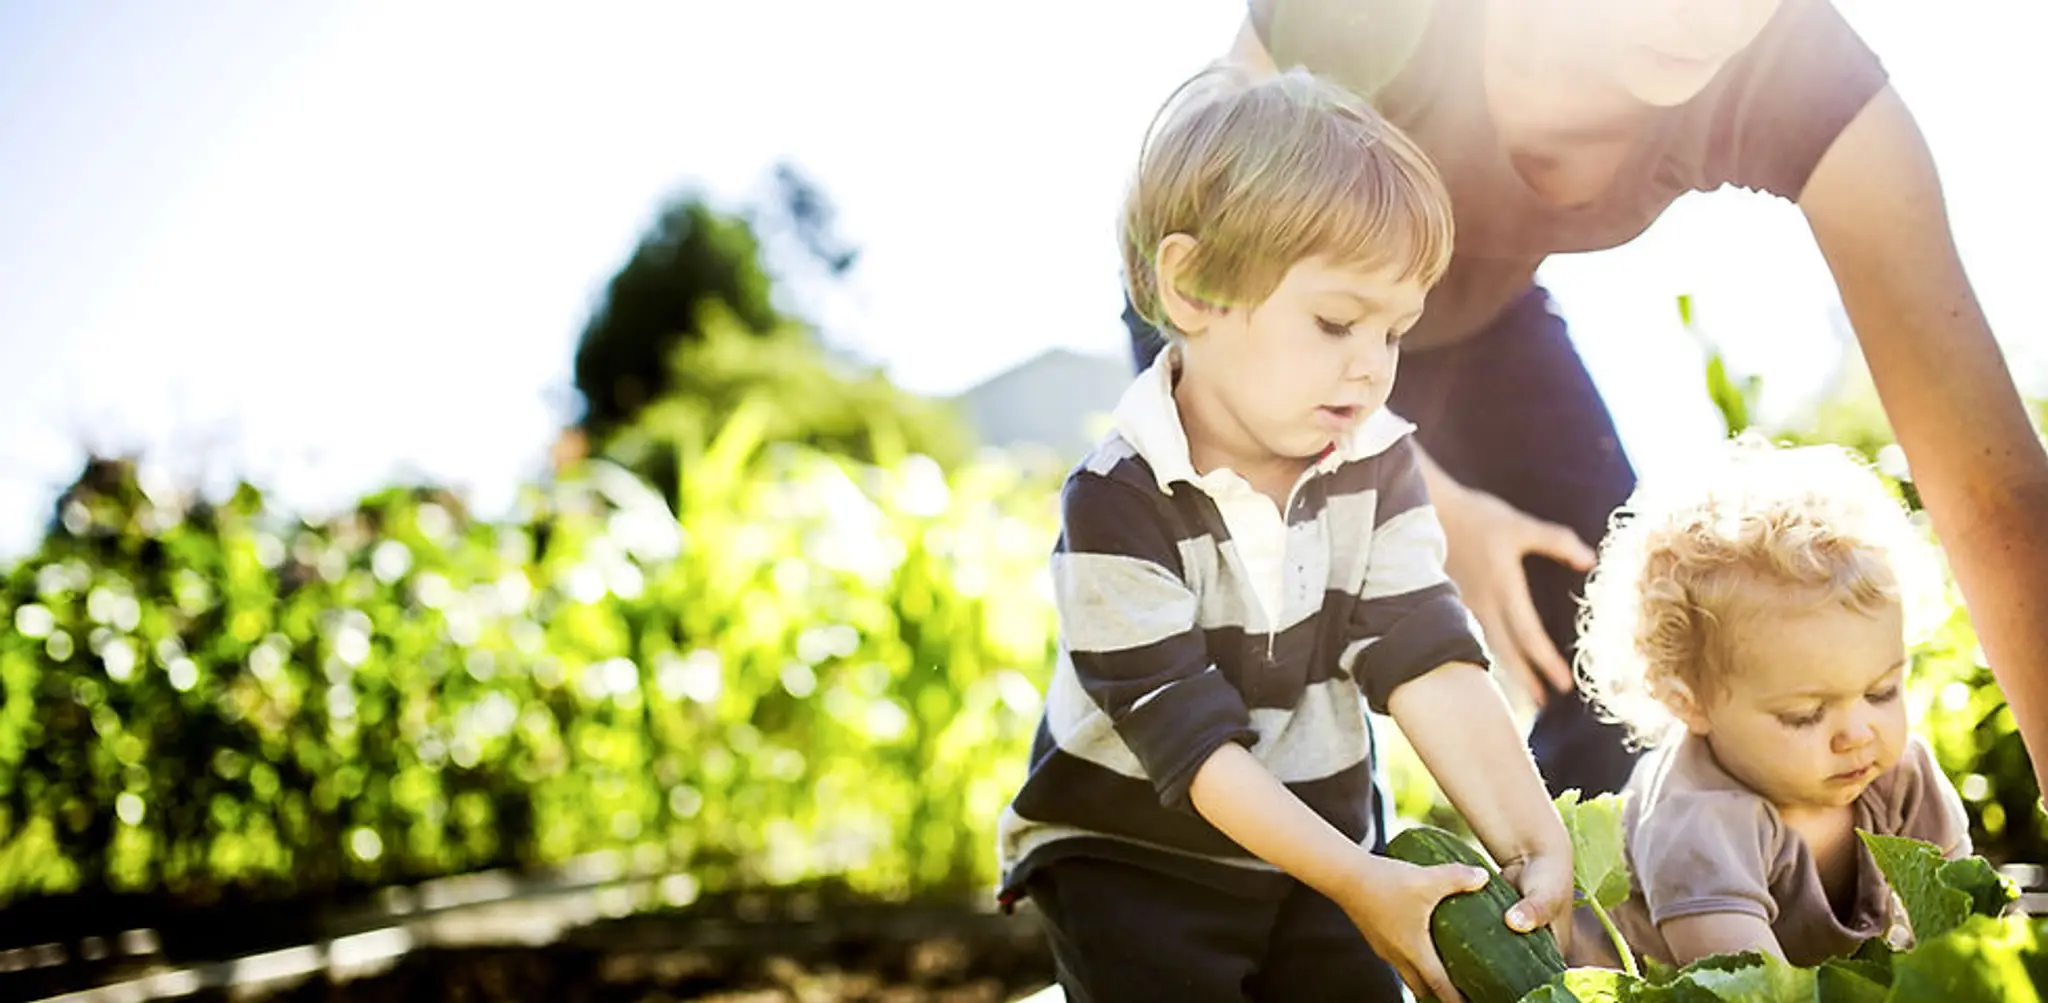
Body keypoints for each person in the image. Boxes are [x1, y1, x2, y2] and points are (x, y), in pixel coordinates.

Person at [1121, 0, 2048, 804]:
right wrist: (1422, 498)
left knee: (1621, 667)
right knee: (1268, 686)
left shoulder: (1801, 72)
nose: (1710, 18)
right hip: (1237, 319)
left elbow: (1998, 500)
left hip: (1480, 324)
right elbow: (1196, 224)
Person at [996, 65, 1573, 1003]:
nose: (1371, 367)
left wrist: (1529, 833)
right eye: (1338, 321)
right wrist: (1360, 881)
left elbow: (1425, 655)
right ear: (1194, 289)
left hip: (1325, 833)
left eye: (1394, 333)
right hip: (1134, 859)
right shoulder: (1118, 501)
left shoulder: (1378, 467)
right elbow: (1191, 743)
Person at [1568, 435, 1973, 967]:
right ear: (1690, 704)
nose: (1857, 732)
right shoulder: (1697, 820)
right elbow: (1744, 987)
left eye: (1881, 692)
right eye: (1805, 715)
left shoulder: (1901, 778)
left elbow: (1975, 930)